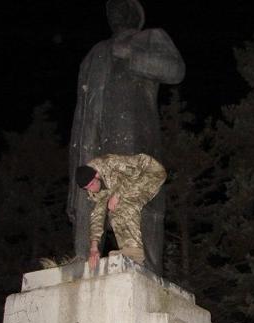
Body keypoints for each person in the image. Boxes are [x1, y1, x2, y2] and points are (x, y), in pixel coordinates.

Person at [67, 0, 185, 274]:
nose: (115, 11)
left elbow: (175, 70)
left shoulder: (148, 37)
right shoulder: (95, 53)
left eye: (122, 6)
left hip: (136, 140)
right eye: (111, 8)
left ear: (136, 14)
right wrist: (76, 155)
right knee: (96, 204)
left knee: (141, 207)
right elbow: (81, 109)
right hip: (93, 141)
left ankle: (148, 267)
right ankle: (84, 255)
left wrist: (130, 53)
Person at [75, 153, 166, 270]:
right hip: (129, 184)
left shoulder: (111, 162)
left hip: (150, 172)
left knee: (123, 204)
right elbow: (97, 215)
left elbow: (136, 173)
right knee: (113, 212)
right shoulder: (93, 189)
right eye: (87, 188)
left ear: (97, 174)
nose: (91, 190)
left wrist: (117, 194)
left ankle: (135, 253)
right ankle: (127, 250)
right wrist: (94, 248)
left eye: (92, 184)